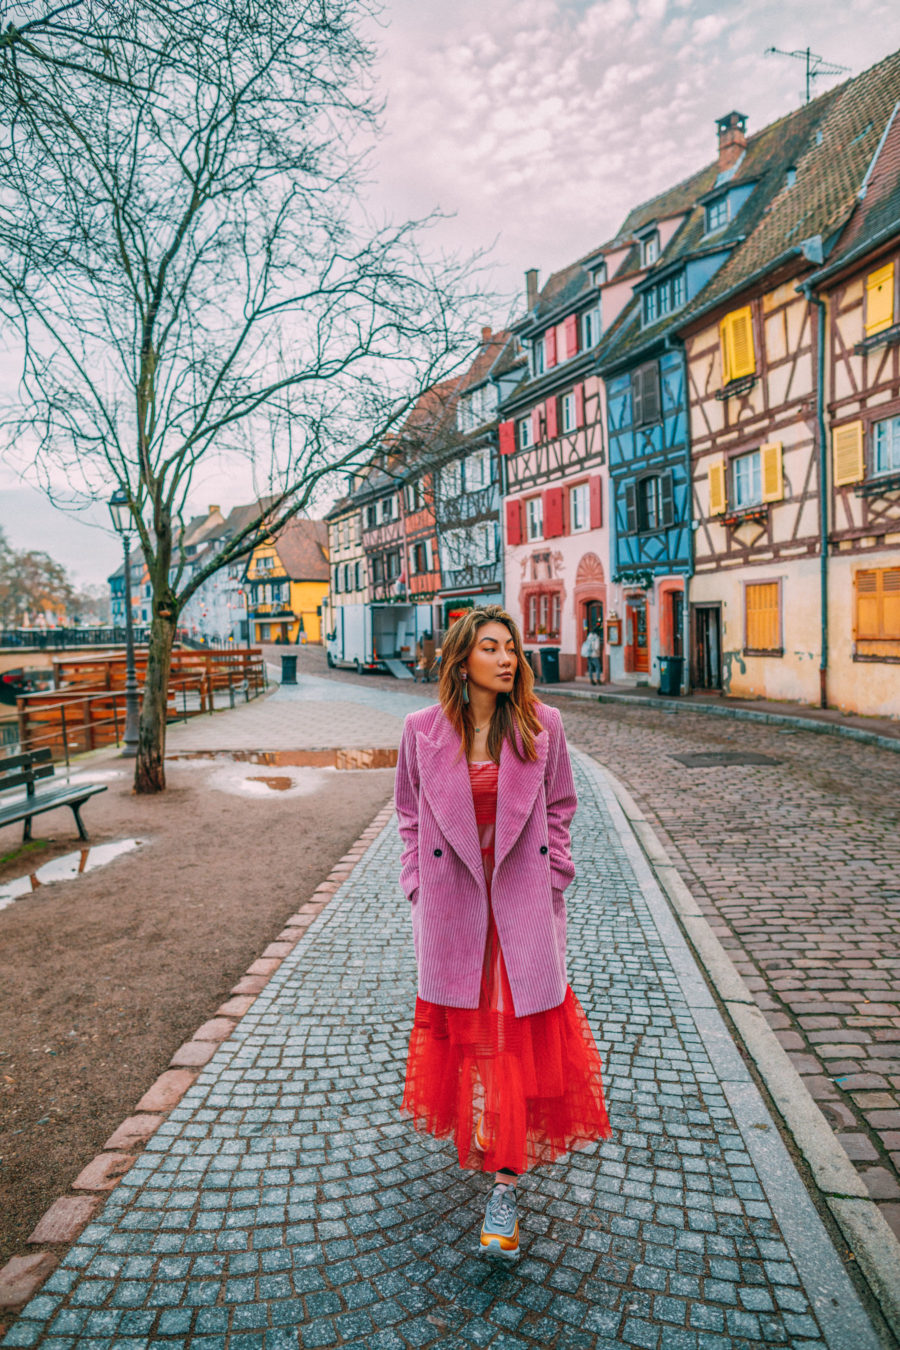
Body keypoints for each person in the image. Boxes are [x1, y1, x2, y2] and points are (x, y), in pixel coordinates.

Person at [394, 604, 611, 1262]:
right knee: (474, 1038)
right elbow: (408, 815)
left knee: (514, 1038)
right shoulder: (420, 731)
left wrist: (554, 877)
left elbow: (563, 805)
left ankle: (504, 1189)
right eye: (491, 648)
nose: (507, 658)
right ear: (463, 661)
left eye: (511, 647)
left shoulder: (544, 727)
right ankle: (493, 1136)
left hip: (519, 906)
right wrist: (418, 886)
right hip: (456, 908)